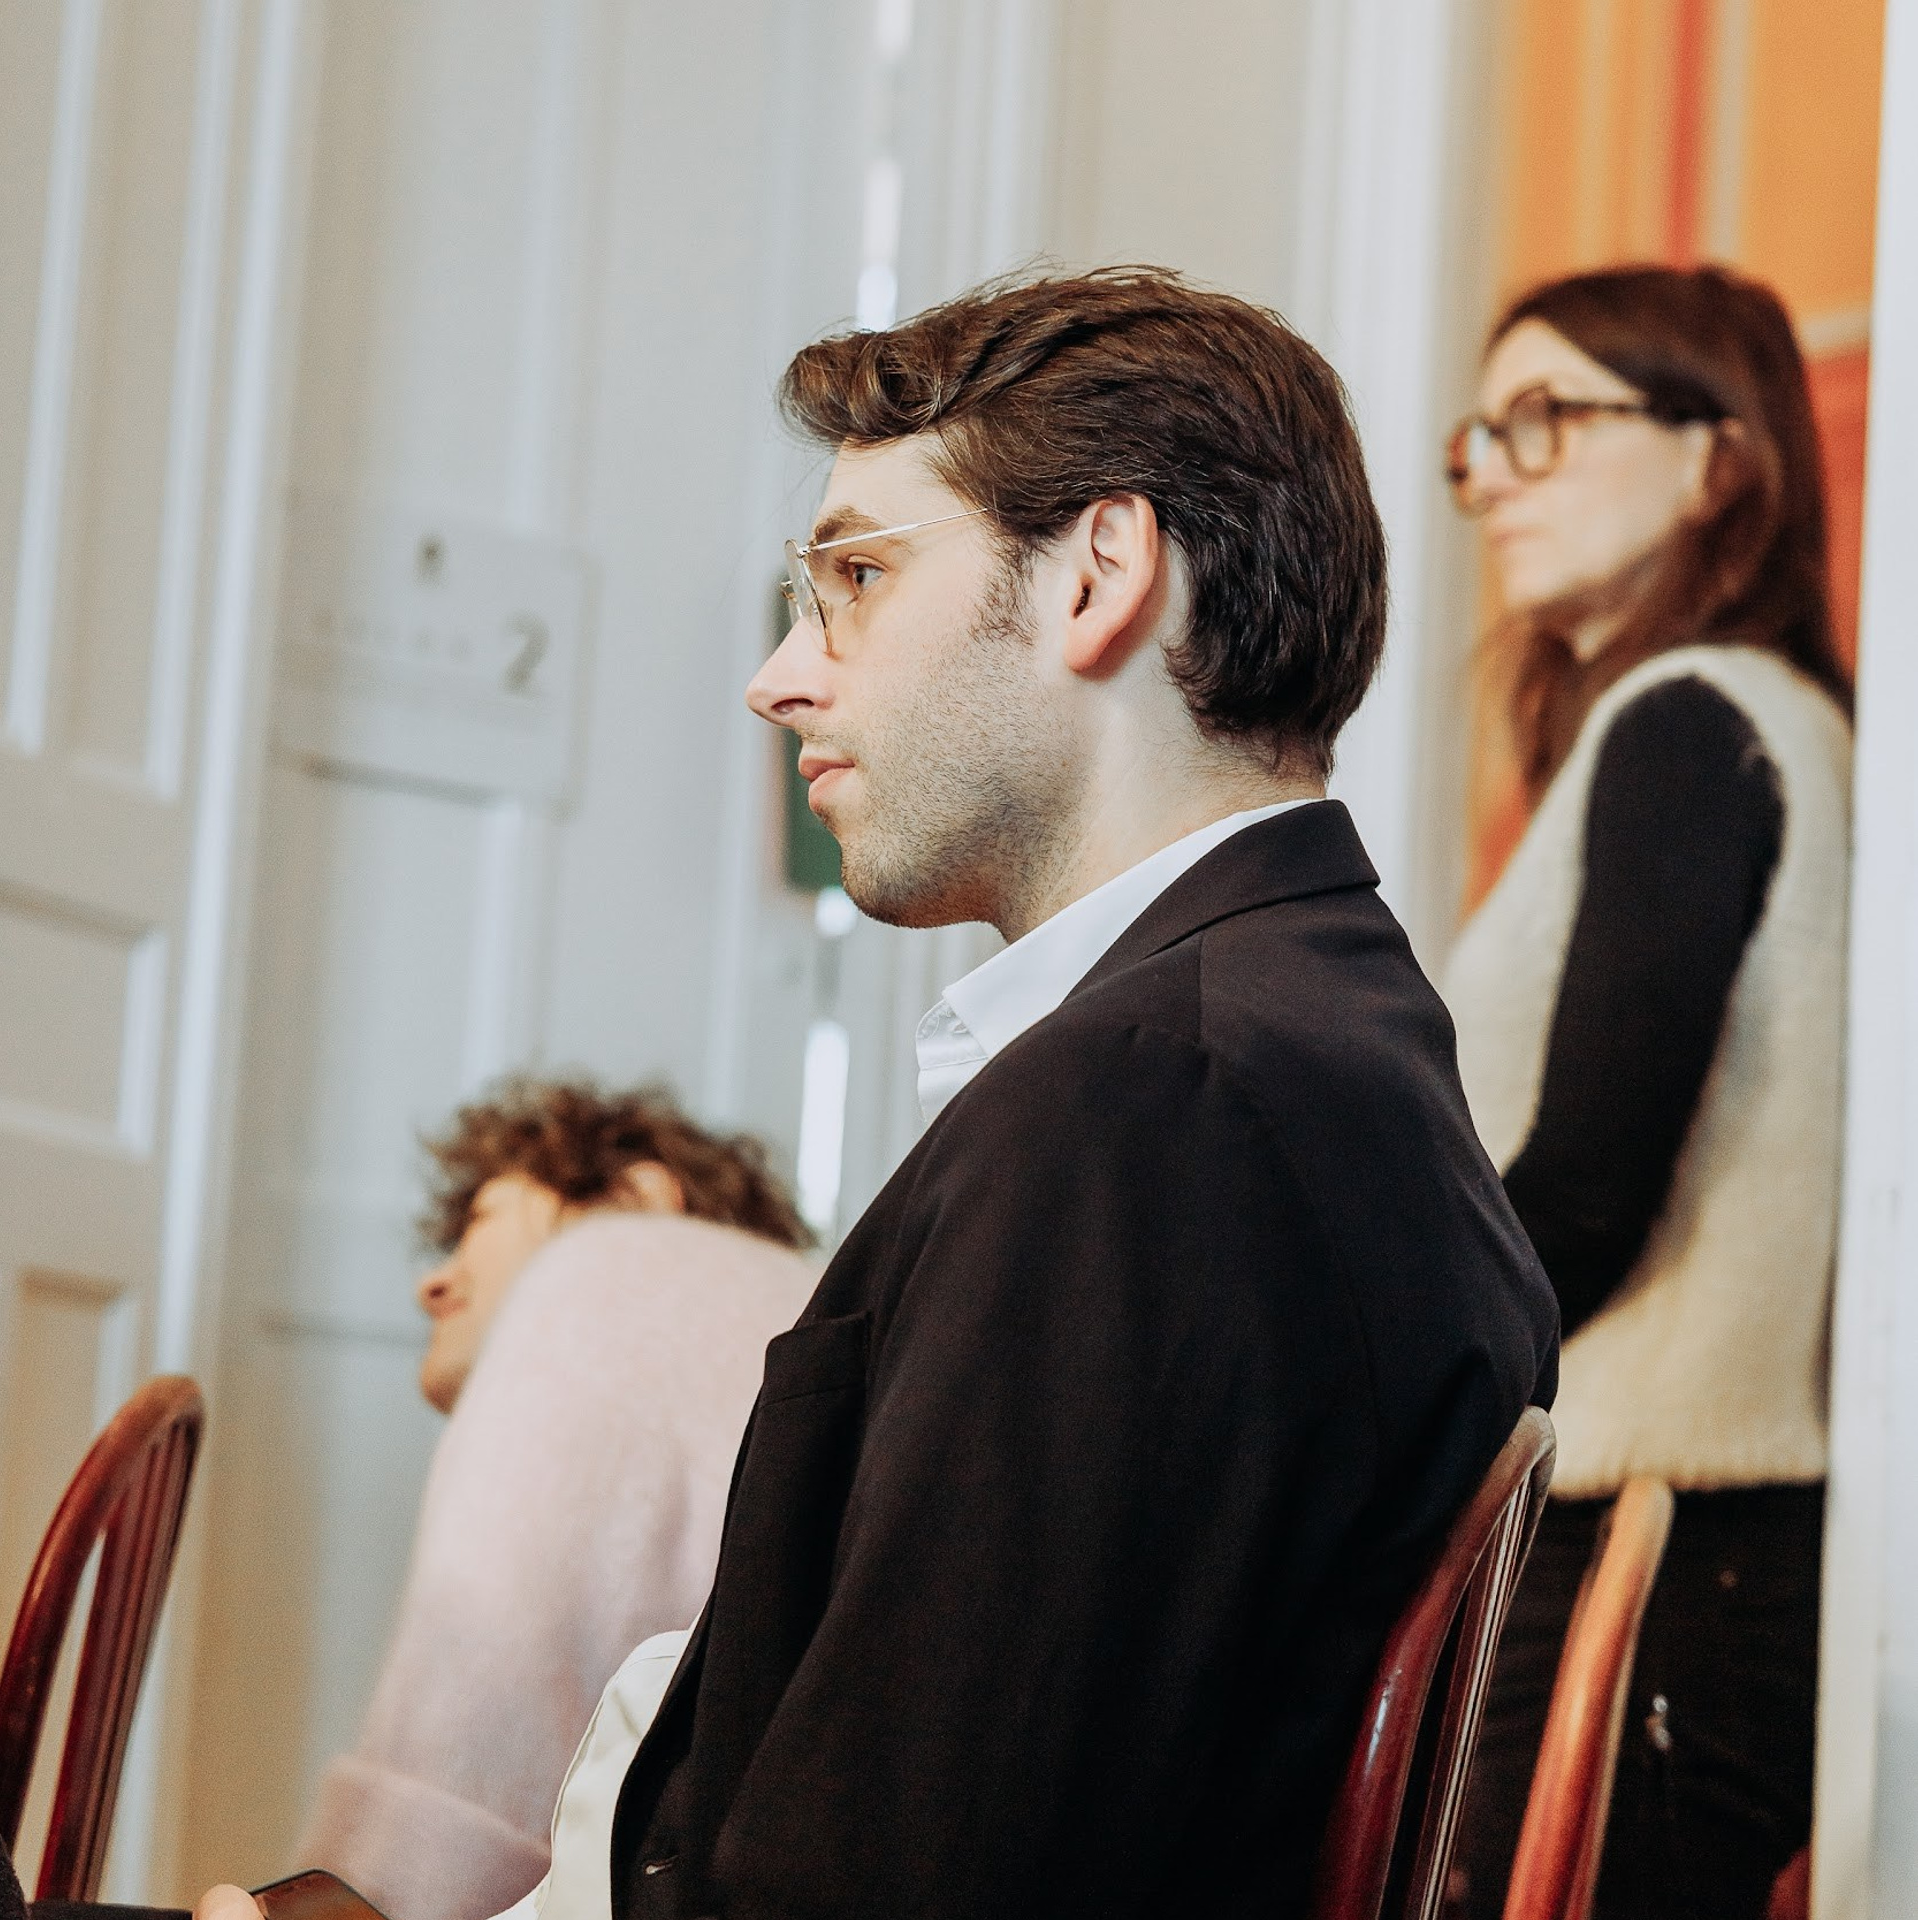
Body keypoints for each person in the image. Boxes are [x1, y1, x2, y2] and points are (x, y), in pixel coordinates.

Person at [193, 265, 1556, 1920]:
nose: (780, 676)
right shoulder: (1315, 1042)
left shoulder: (1158, 1108)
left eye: (855, 575)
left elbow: (880, 1878)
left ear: (1097, 577)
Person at [1440, 265, 1852, 1920]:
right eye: (1480, 437)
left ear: (1719, 456)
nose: (1492, 474)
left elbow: (1589, 1190)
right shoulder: (1764, 725)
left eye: (1549, 417)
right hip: (1691, 1547)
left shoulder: (1693, 724)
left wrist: (1376, 1386)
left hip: (1653, 1543)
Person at [298, 1079, 817, 1920]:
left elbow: (477, 1737)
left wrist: (335, 1902)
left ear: (638, 1195)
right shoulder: (804, 1321)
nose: (430, 1287)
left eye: (480, 1224)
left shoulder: (621, 1259)